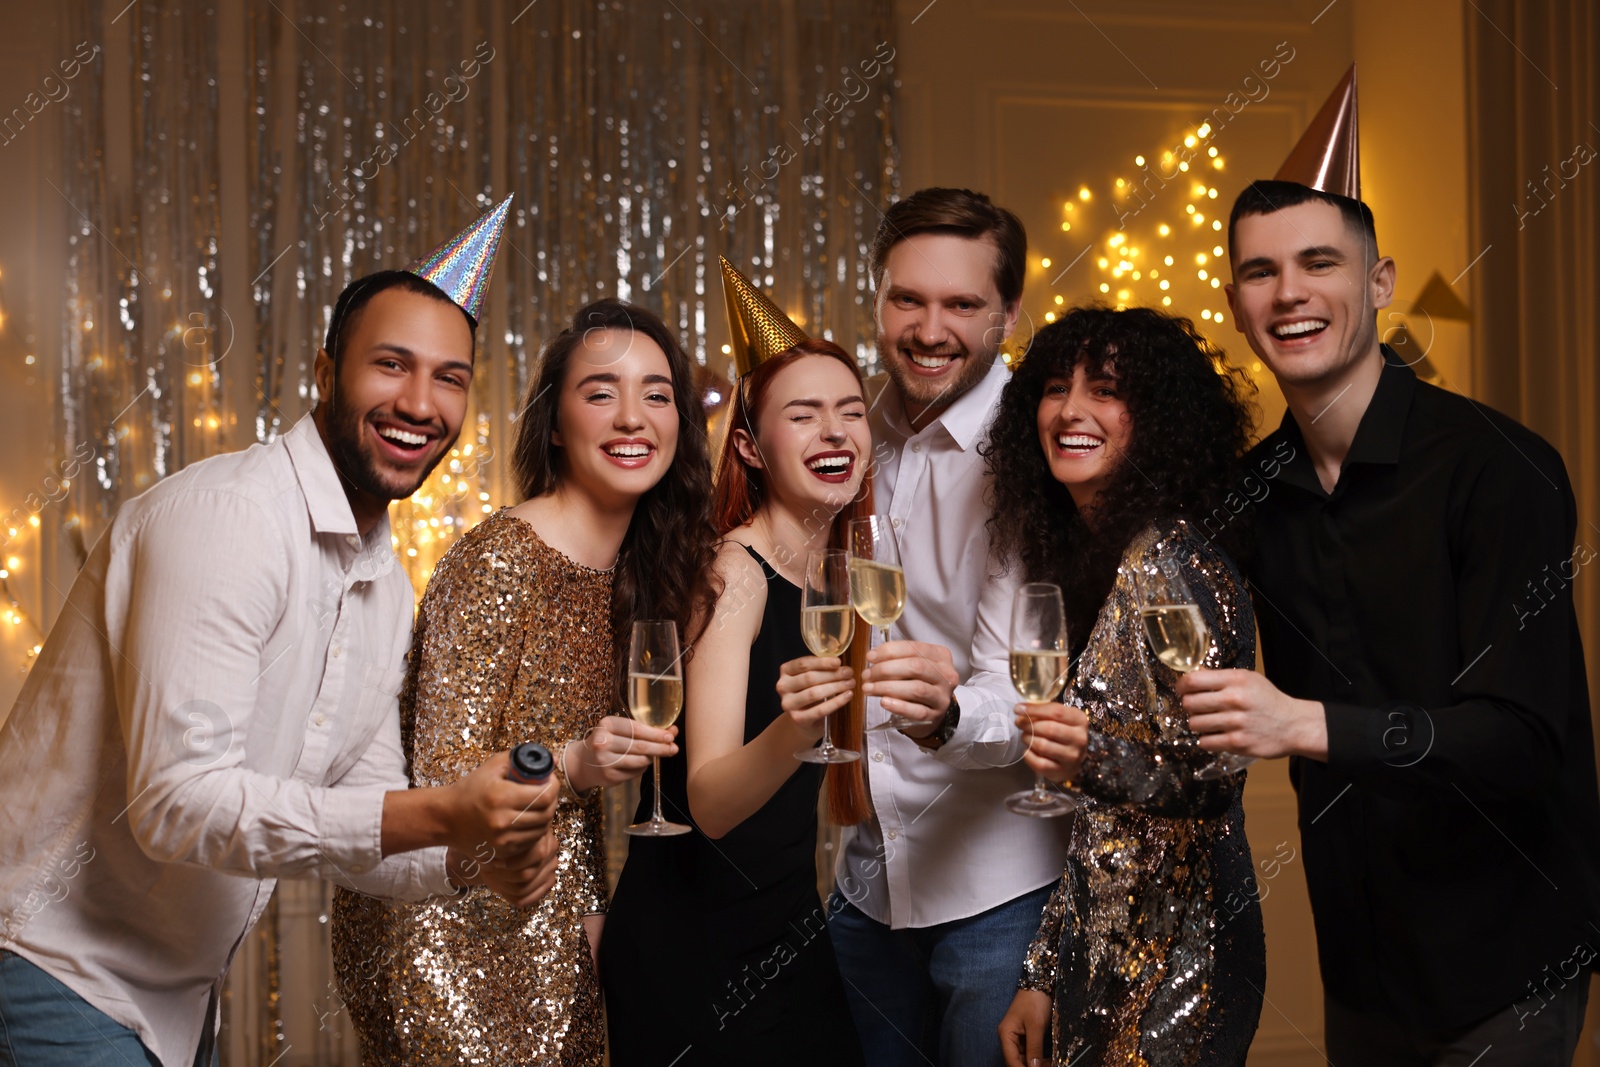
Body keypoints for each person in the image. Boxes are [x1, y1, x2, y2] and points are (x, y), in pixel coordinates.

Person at [0, 200, 563, 1067]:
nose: (420, 402)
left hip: (174, 1001)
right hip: (49, 968)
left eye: (450, 377)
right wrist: (444, 808)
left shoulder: (382, 584)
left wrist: (471, 853)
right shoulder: (229, 518)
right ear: (324, 371)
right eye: (391, 365)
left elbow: (366, 819)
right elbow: (178, 803)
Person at [1182, 79, 1600, 1064]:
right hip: (1362, 956)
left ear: (1379, 281)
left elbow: (1524, 738)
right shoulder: (1250, 495)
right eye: (1259, 271)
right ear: (1237, 305)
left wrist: (1303, 723)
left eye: (1318, 262)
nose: (1288, 292)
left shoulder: (1497, 468)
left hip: (1507, 952)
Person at [330, 298, 715, 1067]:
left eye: (658, 394)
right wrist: (573, 762)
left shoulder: (644, 570)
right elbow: (444, 783)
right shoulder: (500, 560)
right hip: (451, 939)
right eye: (601, 392)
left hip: (555, 921)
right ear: (554, 423)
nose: (632, 417)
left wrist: (592, 911)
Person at [826, 187, 1071, 1067]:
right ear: (880, 299)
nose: (931, 328)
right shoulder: (850, 429)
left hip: (997, 891)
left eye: (963, 304)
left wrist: (945, 716)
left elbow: (1026, 690)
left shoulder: (1038, 452)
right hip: (864, 881)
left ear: (1010, 310)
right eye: (909, 299)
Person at [601, 260, 867, 1066]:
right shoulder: (736, 573)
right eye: (806, 414)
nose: (836, 432)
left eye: (852, 412)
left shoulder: (837, 573)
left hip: (784, 925)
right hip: (697, 948)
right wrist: (795, 731)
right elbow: (709, 801)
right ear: (749, 447)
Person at [987, 306, 1266, 1067]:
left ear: (1157, 418)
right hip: (1100, 953)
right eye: (1054, 387)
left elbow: (1216, 778)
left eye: (1104, 390)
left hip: (1183, 958)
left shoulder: (1170, 564)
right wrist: (1044, 972)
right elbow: (1098, 826)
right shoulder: (1100, 558)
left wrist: (1094, 754)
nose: (1071, 409)